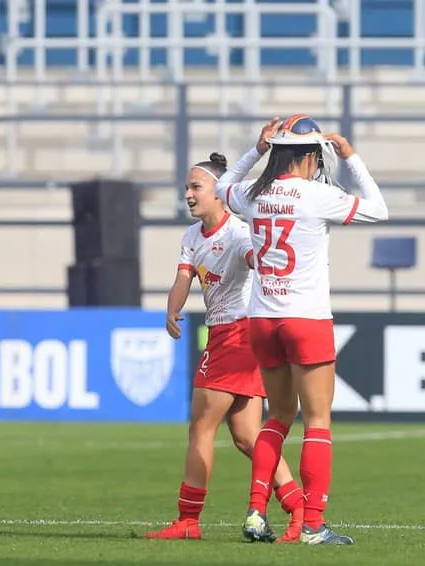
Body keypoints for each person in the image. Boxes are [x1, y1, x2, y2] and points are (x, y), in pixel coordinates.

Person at [214, 114, 389, 545]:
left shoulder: (254, 194)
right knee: (318, 423)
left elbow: (221, 189)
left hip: (263, 318)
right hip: (306, 318)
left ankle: (256, 511)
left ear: (276, 153)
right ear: (312, 155)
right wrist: (351, 158)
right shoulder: (318, 196)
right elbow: (378, 209)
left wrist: (255, 150)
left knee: (276, 418)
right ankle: (312, 524)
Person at [145, 124, 305, 543]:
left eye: (195, 186)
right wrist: (172, 309)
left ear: (219, 191)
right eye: (185, 187)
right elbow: (183, 276)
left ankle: (187, 520)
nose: (187, 194)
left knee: (201, 427)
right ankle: (297, 509)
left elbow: (259, 259)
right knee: (248, 436)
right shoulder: (192, 236)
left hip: (237, 335)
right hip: (232, 337)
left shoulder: (238, 233)